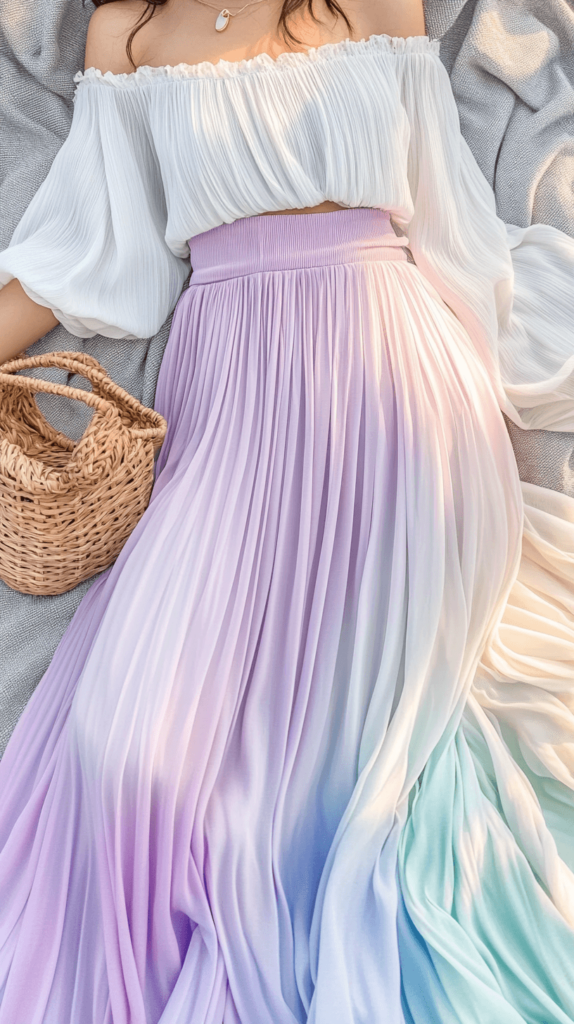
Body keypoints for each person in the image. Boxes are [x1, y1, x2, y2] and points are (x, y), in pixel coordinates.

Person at [1, 0, 574, 1020]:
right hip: (227, 389)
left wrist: (506, 328)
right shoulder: (127, 35)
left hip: (396, 376)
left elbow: (445, 208)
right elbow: (85, 245)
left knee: (354, 742)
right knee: (116, 744)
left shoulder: (369, 5)